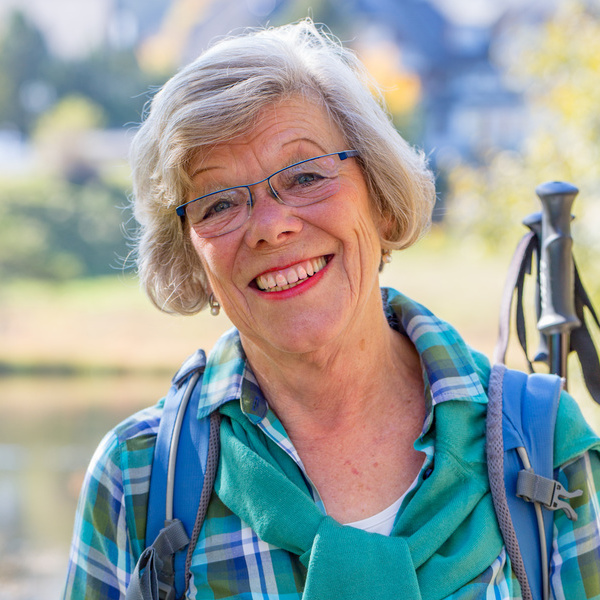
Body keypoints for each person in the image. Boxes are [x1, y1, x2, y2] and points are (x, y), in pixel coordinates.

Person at [63, 19, 600, 600]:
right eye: (218, 203)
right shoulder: (138, 481)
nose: (272, 227)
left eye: (305, 176)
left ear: (382, 201)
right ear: (193, 259)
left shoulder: (539, 442)